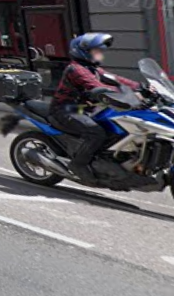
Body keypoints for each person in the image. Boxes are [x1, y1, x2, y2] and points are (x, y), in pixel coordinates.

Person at [50, 33, 143, 183]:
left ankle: (107, 159)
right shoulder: (75, 69)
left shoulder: (93, 68)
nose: (100, 54)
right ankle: (78, 164)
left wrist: (141, 87)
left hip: (87, 109)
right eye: (96, 51)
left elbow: (117, 79)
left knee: (117, 126)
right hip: (67, 109)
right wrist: (127, 94)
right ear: (84, 51)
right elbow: (96, 86)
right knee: (96, 132)